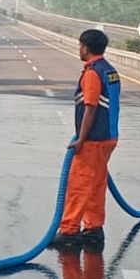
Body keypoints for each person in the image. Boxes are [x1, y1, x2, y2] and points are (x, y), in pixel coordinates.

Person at [50, 29, 120, 252]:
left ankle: (69, 230)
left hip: (93, 139)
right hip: (109, 137)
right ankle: (93, 228)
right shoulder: (110, 71)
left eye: (80, 45)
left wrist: (81, 138)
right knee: (96, 184)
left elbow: (90, 107)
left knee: (79, 184)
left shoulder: (92, 74)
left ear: (85, 47)